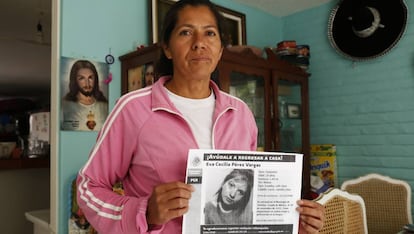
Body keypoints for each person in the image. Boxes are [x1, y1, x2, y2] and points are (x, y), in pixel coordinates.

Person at [76, 0, 324, 233]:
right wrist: (144, 212)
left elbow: (247, 201)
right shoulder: (133, 108)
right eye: (185, 32)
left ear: (220, 50)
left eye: (210, 33)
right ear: (167, 48)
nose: (199, 43)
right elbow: (88, 187)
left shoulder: (241, 114)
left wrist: (292, 222)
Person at [61, 60, 108, 131]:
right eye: (82, 78)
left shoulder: (104, 105)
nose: (87, 83)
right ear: (75, 80)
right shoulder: (65, 105)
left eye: (90, 78)